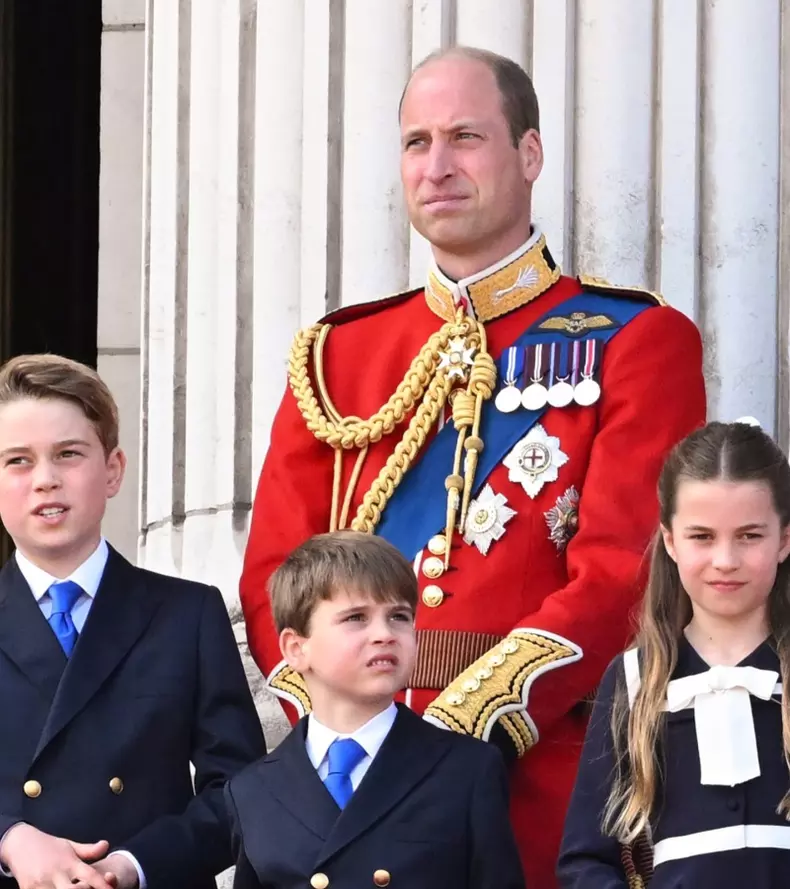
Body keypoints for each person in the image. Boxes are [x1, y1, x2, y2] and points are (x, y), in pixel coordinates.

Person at [240, 45, 706, 887]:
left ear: (529, 154)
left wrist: (471, 720)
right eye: (417, 142)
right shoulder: (338, 356)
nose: (438, 165)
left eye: (465, 136)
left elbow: (623, 576)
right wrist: (348, 730)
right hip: (348, 795)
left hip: (535, 790)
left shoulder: (633, 340)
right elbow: (275, 575)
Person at [0, 354, 266, 889]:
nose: (46, 480)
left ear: (113, 469)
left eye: (68, 454)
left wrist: (135, 865)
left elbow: (240, 790)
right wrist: (9, 840)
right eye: (18, 461)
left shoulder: (188, 615)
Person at [558, 421, 790, 888]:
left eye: (750, 536)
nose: (726, 559)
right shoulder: (634, 677)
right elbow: (585, 860)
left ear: (784, 540)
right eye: (702, 536)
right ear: (669, 540)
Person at [227, 531, 525, 889]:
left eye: (399, 616)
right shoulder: (252, 790)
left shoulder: (466, 770)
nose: (385, 634)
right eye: (356, 618)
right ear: (295, 648)